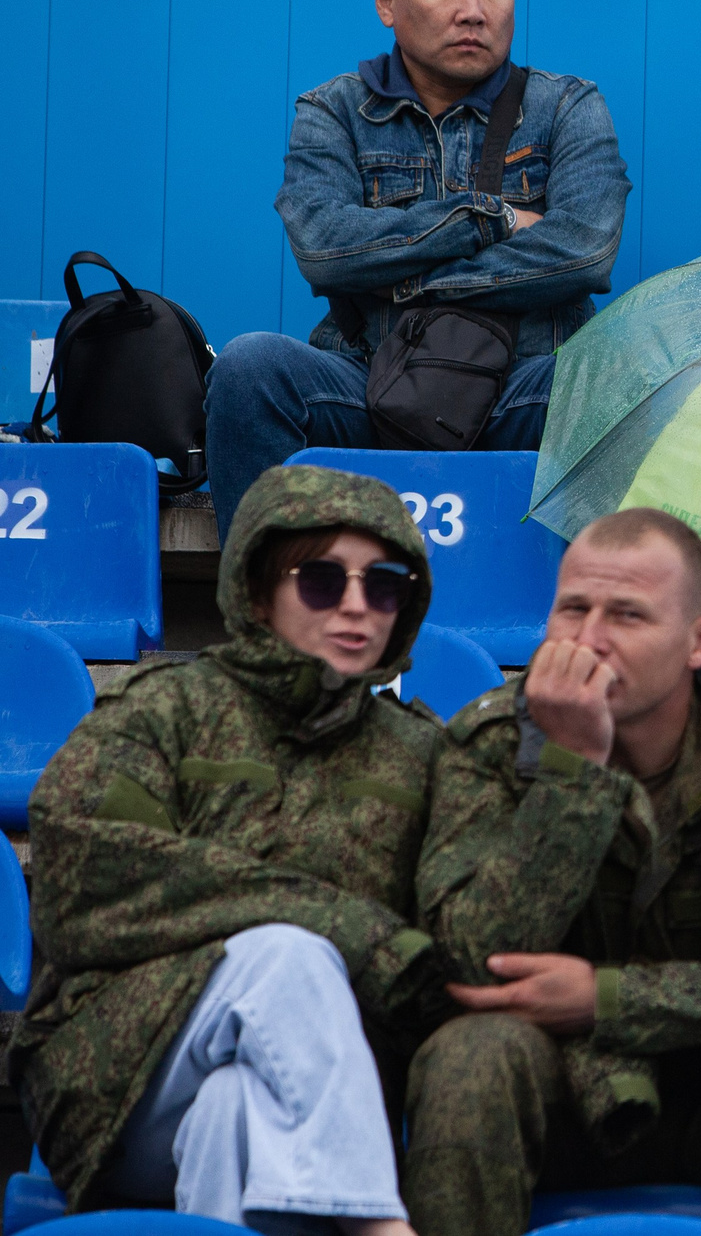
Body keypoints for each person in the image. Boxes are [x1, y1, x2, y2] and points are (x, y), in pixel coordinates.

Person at [403, 509, 701, 1236]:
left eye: (627, 614)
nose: (588, 637)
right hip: (551, 1091)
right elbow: (465, 961)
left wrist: (611, 998)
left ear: (700, 640)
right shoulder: (490, 743)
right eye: (572, 608)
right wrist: (571, 772)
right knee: (467, 1056)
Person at [12, 465, 448, 1232]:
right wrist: (330, 919)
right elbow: (85, 884)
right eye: (320, 578)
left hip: (315, 1102)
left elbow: (460, 935)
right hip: (118, 1079)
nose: (355, 604)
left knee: (237, 1108)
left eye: (383, 584)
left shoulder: (423, 754)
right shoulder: (161, 711)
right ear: (256, 590)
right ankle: (384, 1226)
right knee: (287, 953)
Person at [205, 0, 631, 539]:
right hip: (369, 382)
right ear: (387, 1)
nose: (473, 11)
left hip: (521, 388)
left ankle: (583, 621)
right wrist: (489, 219)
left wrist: (404, 276)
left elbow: (585, 249)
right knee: (247, 368)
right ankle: (267, 619)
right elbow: (324, 246)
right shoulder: (333, 112)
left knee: (618, 372)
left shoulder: (568, 107)